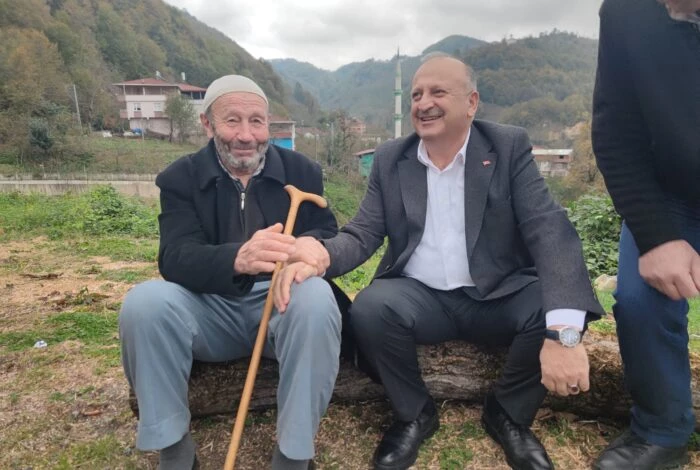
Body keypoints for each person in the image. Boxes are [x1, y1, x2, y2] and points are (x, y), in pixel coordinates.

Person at [275, 55, 605, 470]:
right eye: (416, 95)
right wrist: (322, 255)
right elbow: (364, 231)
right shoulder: (392, 158)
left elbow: (548, 229)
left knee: (555, 306)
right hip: (421, 298)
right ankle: (415, 413)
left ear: (471, 103)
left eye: (437, 92)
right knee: (371, 308)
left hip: (497, 293)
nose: (423, 103)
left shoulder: (506, 147)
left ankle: (508, 413)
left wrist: (563, 336)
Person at [119, 75, 342, 470]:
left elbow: (325, 231)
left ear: (268, 125)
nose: (246, 135)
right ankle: (174, 449)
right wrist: (237, 258)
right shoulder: (180, 178)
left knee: (317, 297)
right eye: (232, 120)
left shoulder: (303, 171)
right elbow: (175, 256)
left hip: (280, 309)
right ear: (208, 124)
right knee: (143, 304)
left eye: (256, 121)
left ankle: (293, 454)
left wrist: (308, 249)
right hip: (209, 309)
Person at [591, 1, 700, 468]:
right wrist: (656, 237)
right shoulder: (626, 12)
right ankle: (662, 430)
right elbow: (615, 133)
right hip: (670, 191)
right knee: (640, 301)